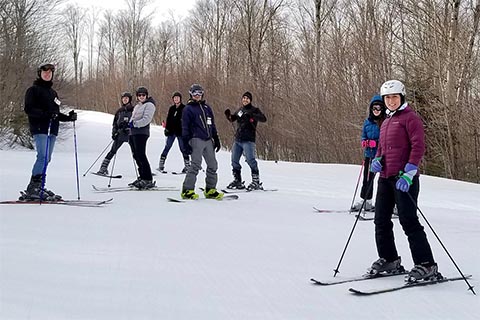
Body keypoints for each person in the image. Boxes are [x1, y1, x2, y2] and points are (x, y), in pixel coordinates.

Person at [368, 80, 440, 283]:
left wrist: (410, 171)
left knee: (409, 221)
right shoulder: (386, 122)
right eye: (387, 98)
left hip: (404, 179)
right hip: (385, 178)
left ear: (402, 98)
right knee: (381, 220)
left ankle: (427, 264)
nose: (391, 101)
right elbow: (382, 148)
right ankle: (390, 259)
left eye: (394, 97)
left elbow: (418, 146)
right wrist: (378, 160)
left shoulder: (411, 119)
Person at [23, 62, 77, 200]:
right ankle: (33, 187)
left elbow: (55, 113)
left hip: (52, 129)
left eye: (50, 72)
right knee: (42, 156)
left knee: (47, 158)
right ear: (40, 73)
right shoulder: (33, 90)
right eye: (44, 72)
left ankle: (40, 185)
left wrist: (69, 118)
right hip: (40, 127)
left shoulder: (53, 93)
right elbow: (29, 109)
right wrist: (45, 114)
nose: (47, 74)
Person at [180, 84, 223, 200]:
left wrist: (216, 138)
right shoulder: (188, 109)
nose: (197, 95)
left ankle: (210, 189)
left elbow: (212, 124)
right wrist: (185, 143)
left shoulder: (207, 108)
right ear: (191, 94)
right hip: (196, 139)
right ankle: (187, 190)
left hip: (208, 139)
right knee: (195, 165)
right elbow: (185, 127)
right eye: (195, 93)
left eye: (199, 93)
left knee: (213, 164)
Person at [224, 91, 267, 190]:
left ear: (250, 100)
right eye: (244, 98)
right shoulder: (240, 110)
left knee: (250, 160)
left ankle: (256, 182)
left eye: (247, 98)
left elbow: (263, 119)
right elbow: (233, 119)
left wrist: (252, 116)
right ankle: (238, 181)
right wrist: (228, 116)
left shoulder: (254, 110)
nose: (245, 100)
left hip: (248, 140)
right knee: (234, 160)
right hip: (238, 139)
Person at [350, 94, 386, 212]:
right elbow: (363, 136)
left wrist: (376, 143)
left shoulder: (385, 122)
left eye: (379, 108)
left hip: (382, 156)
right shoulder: (367, 122)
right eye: (374, 108)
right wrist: (364, 142)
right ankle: (366, 201)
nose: (376, 110)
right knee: (367, 179)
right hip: (369, 155)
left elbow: (387, 138)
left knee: (387, 180)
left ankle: (393, 204)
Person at [96, 92, 134, 176]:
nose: (125, 99)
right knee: (112, 151)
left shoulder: (133, 109)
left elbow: (135, 121)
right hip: (120, 134)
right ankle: (103, 168)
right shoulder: (119, 111)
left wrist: (128, 127)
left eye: (127, 98)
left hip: (130, 134)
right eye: (123, 98)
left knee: (136, 153)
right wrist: (114, 133)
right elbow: (114, 124)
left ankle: (145, 171)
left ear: (130, 99)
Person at [128, 86, 156, 189]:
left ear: (146, 95)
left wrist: (134, 124)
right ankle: (142, 176)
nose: (141, 97)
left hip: (142, 133)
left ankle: (147, 178)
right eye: (139, 95)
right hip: (133, 133)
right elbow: (132, 118)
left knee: (141, 154)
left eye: (143, 95)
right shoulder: (138, 106)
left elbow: (146, 119)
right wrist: (127, 124)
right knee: (136, 155)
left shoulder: (149, 105)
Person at [157, 91, 190, 173]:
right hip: (171, 132)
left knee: (183, 148)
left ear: (180, 99)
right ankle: (161, 165)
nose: (176, 99)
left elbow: (186, 120)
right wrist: (167, 129)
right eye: (175, 98)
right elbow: (168, 119)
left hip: (180, 132)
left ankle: (187, 166)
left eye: (177, 98)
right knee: (167, 147)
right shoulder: (172, 108)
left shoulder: (184, 108)